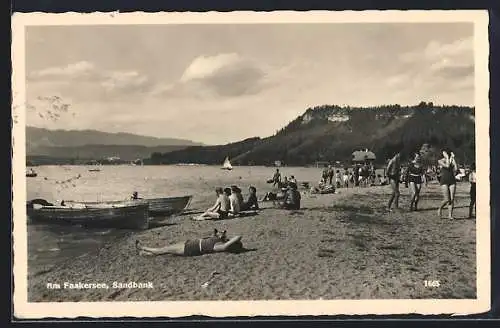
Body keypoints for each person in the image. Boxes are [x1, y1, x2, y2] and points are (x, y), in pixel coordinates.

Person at [136, 229, 244, 257]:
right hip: (189, 244)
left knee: (164, 250)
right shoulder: (220, 242)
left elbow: (239, 236)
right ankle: (144, 253)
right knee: (166, 250)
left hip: (189, 248)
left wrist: (229, 241)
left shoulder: (221, 247)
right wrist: (222, 236)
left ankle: (143, 247)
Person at [437, 148, 458, 219]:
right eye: (443, 153)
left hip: (452, 180)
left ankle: (450, 215)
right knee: (446, 199)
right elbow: (447, 166)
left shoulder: (451, 159)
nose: (444, 153)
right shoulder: (440, 161)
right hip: (444, 180)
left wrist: (453, 158)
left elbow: (456, 169)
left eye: (445, 152)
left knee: (452, 199)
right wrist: (447, 158)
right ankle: (440, 208)